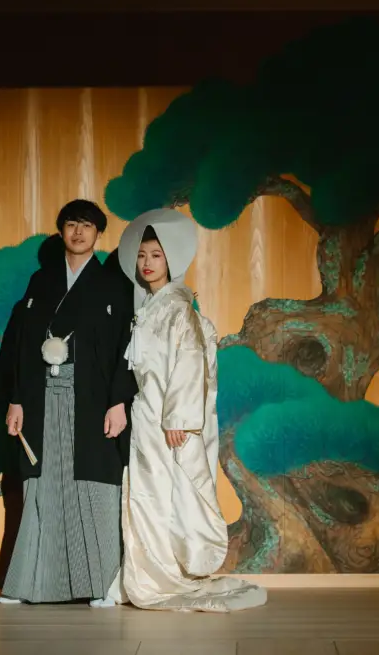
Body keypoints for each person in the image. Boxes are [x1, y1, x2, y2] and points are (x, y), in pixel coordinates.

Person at [104, 207, 266, 612]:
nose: (147, 263)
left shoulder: (177, 307)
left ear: (170, 259)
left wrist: (177, 418)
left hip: (167, 419)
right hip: (145, 414)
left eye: (156, 255)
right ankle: (145, 573)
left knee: (162, 494)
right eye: (142, 256)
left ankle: (161, 575)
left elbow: (191, 362)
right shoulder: (148, 306)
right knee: (146, 494)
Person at [0, 199, 138, 607]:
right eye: (71, 224)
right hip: (42, 396)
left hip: (93, 400)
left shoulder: (113, 285)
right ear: (61, 231)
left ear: (98, 234)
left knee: (94, 486)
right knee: (40, 485)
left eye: (87, 225)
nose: (78, 232)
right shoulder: (41, 282)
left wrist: (118, 401)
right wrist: (16, 400)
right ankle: (26, 585)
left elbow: (126, 349)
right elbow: (21, 346)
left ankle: (104, 586)